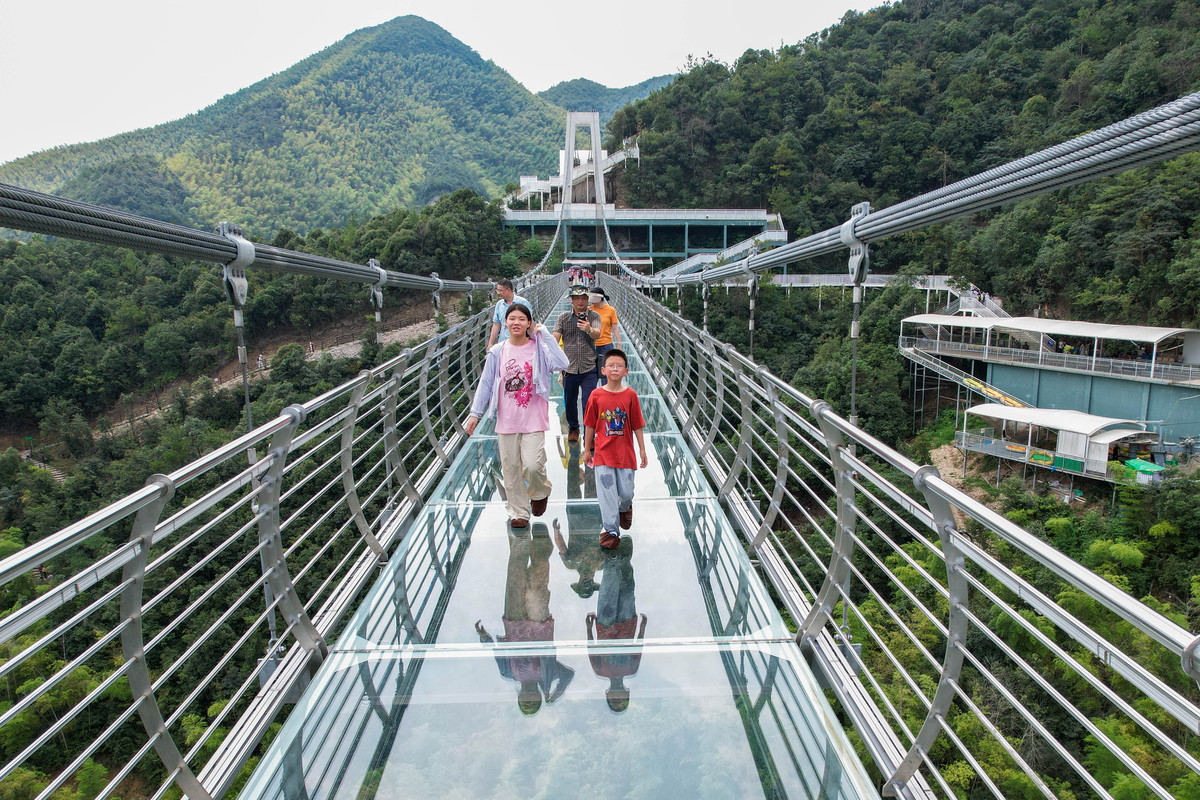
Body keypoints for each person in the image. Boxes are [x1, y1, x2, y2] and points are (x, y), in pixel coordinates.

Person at [466, 303, 569, 527]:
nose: (516, 323)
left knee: (532, 465)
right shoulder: (497, 352)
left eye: (522, 319)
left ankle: (540, 492)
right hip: (507, 419)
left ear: (529, 323)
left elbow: (563, 363)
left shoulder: (539, 348)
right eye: (512, 318)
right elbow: (485, 384)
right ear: (505, 323)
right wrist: (475, 413)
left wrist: (546, 337)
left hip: (533, 418)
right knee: (510, 468)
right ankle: (519, 512)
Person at [476, 521, 575, 715]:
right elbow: (568, 675)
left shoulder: (508, 673)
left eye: (525, 703)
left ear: (519, 698)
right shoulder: (547, 677)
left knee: (515, 575)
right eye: (533, 702)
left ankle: (520, 538)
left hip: (514, 621)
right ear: (539, 697)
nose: (529, 699)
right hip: (539, 623)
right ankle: (540, 544)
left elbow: (497, 654)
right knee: (538, 578)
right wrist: (554, 694)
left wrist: (484, 638)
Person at [582, 349, 647, 550]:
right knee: (607, 494)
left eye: (619, 366)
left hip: (625, 453)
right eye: (611, 365)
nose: (615, 369)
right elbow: (590, 424)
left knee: (626, 492)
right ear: (603, 370)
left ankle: (625, 508)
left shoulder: (630, 395)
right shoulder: (596, 395)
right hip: (602, 454)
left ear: (626, 371)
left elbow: (637, 424)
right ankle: (610, 530)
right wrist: (586, 449)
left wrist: (642, 450)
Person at [586, 535, 647, 713]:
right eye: (621, 700)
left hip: (605, 625)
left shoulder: (600, 671)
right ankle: (625, 557)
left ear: (608, 695)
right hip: (627, 623)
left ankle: (611, 552)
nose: (618, 696)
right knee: (628, 588)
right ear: (627, 695)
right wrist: (642, 629)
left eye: (614, 700)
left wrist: (589, 629)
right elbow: (638, 647)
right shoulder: (632, 669)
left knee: (609, 585)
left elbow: (591, 649)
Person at [553, 286, 602, 443]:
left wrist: (588, 329)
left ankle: (590, 435)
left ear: (588, 300)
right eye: (577, 298)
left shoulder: (594, 315)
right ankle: (573, 428)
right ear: (572, 300)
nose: (580, 301)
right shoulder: (563, 318)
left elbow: (598, 333)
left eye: (583, 298)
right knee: (570, 401)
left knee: (589, 402)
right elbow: (555, 337)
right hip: (569, 368)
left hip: (589, 367)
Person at [589, 287, 621, 384]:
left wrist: (619, 344)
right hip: (592, 344)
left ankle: (606, 394)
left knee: (606, 372)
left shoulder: (610, 310)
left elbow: (615, 327)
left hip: (606, 344)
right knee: (591, 372)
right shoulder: (589, 310)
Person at [487, 279, 530, 349]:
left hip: (520, 344)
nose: (498, 293)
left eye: (500, 290)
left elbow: (529, 323)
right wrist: (490, 343)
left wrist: (534, 342)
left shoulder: (523, 303)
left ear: (508, 290)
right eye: (497, 290)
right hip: (503, 344)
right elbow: (496, 324)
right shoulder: (499, 304)